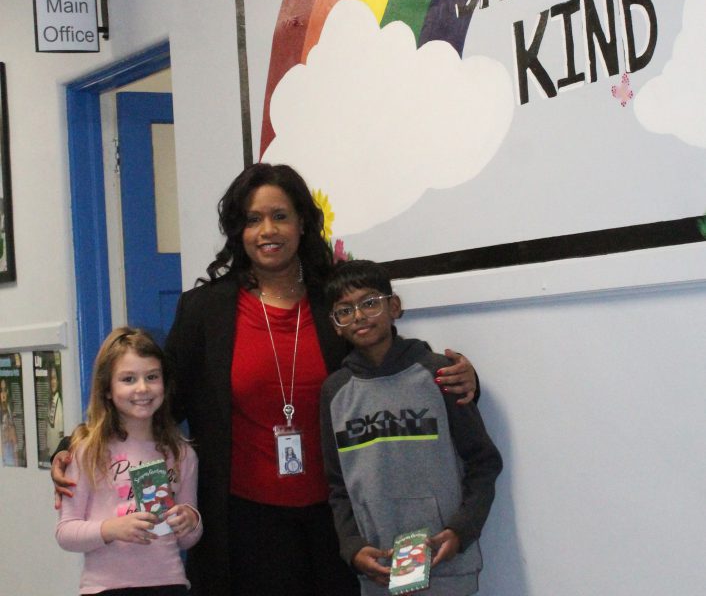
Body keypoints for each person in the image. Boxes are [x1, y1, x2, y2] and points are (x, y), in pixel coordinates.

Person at [54, 163, 478, 596]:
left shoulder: (333, 298)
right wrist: (75, 446)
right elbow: (158, 399)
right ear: (238, 230)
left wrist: (463, 378)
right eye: (253, 219)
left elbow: (386, 365)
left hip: (337, 520)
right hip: (240, 524)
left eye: (280, 215)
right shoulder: (206, 310)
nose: (267, 230)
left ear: (302, 223)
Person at [320, 260, 502, 595]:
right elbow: (337, 488)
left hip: (445, 566)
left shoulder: (440, 374)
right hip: (378, 571)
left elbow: (483, 463)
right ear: (336, 325)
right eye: (345, 311)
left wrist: (462, 530)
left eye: (369, 303)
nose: (359, 316)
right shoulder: (335, 393)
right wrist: (353, 548)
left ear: (394, 307)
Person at [55, 326, 202, 596]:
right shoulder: (88, 452)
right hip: (106, 588)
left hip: (169, 584)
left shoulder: (182, 454)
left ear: (165, 384)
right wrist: (111, 529)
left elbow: (188, 538)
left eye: (152, 377)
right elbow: (65, 532)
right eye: (128, 379)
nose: (142, 388)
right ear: (107, 389)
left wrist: (191, 520)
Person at [46, 362, 65, 455]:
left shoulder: (61, 401)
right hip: (51, 450)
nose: (52, 382)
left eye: (54, 378)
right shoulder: (51, 401)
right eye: (51, 379)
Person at [1, 375, 19, 466]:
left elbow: (14, 437)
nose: (3, 394)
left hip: (10, 454)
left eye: (5, 390)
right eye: (1, 390)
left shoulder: (9, 409)